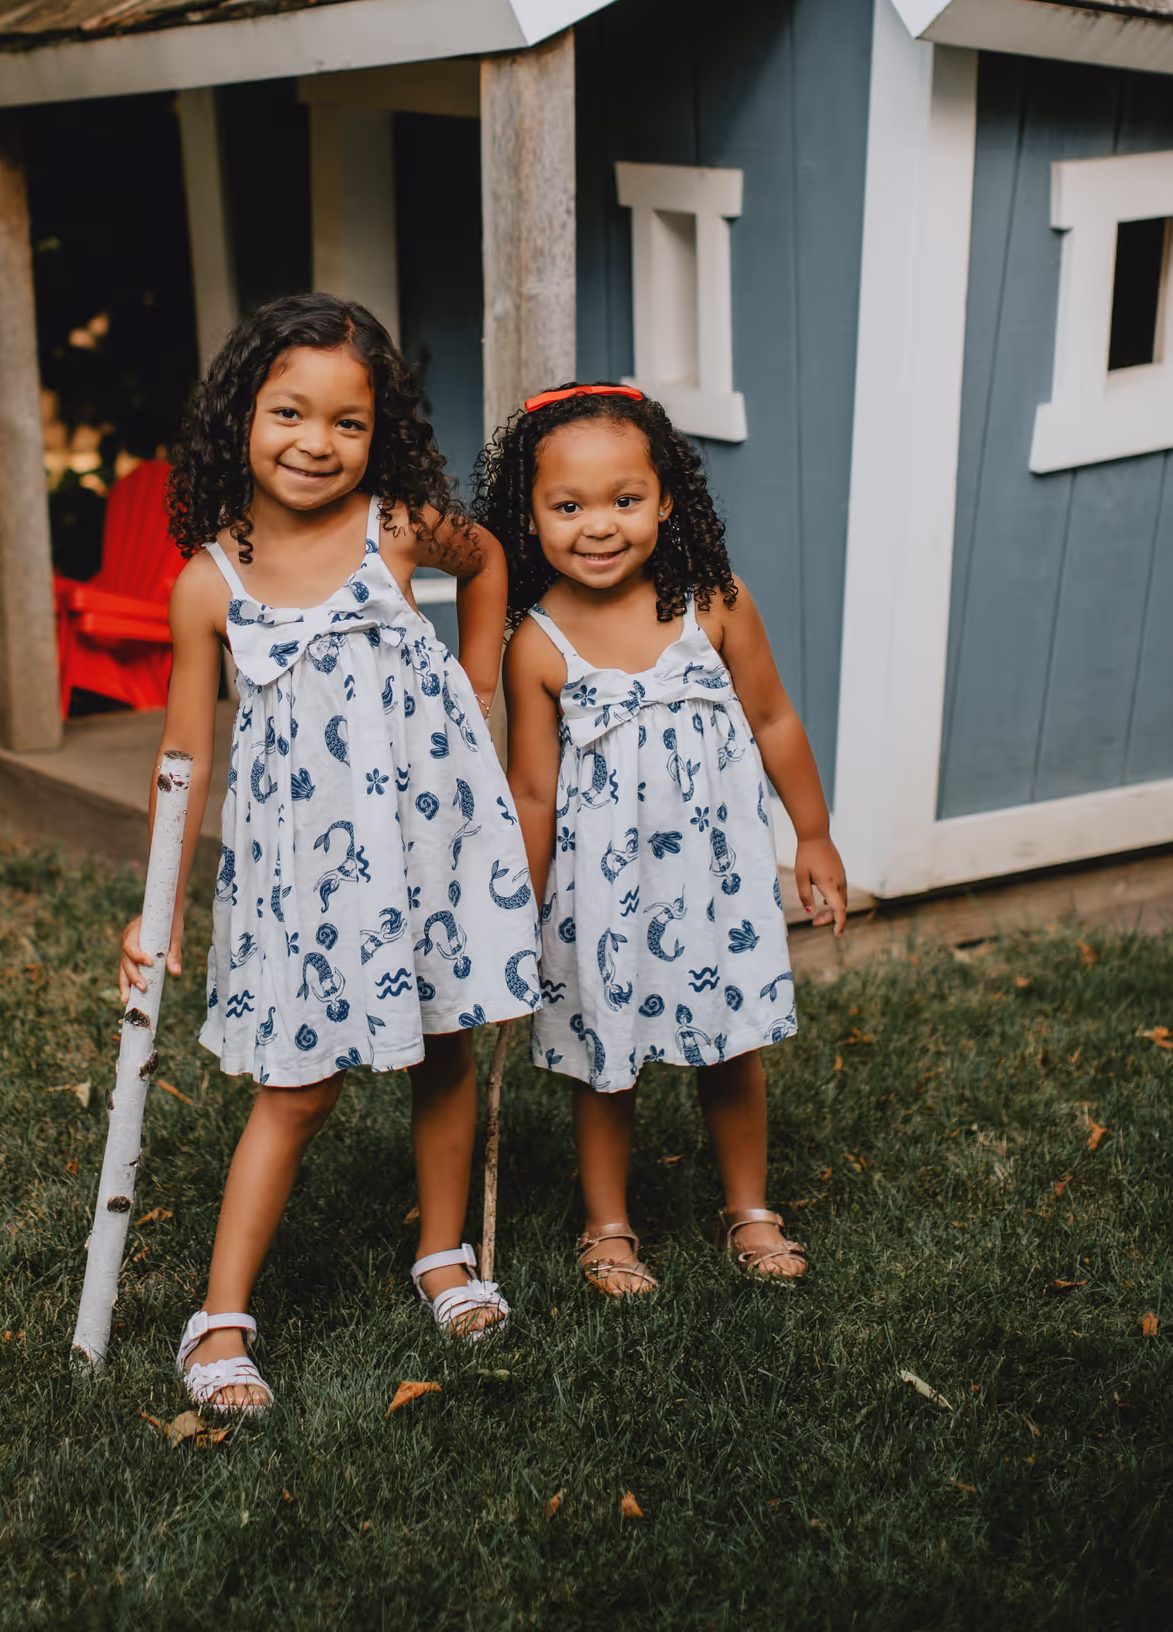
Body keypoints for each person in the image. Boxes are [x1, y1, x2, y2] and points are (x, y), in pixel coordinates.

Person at [120, 294, 539, 1414]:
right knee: (297, 1088)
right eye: (289, 414)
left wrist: (482, 683)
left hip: (428, 837)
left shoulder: (397, 528)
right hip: (302, 877)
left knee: (445, 1043)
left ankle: (442, 1253)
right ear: (239, 420)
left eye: (346, 424)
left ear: (379, 433)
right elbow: (181, 758)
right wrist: (152, 913)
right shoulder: (210, 583)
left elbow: (490, 558)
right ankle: (218, 1321)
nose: (315, 443)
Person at [476, 381, 847, 1295]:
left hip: (716, 881)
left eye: (624, 501)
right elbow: (531, 789)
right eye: (567, 507)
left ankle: (750, 1209)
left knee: (731, 1046)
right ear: (531, 514)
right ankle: (608, 1226)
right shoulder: (539, 643)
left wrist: (815, 836)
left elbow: (775, 722)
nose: (598, 526)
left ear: (666, 498)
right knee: (609, 1059)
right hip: (603, 892)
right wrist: (516, 907)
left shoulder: (711, 603)